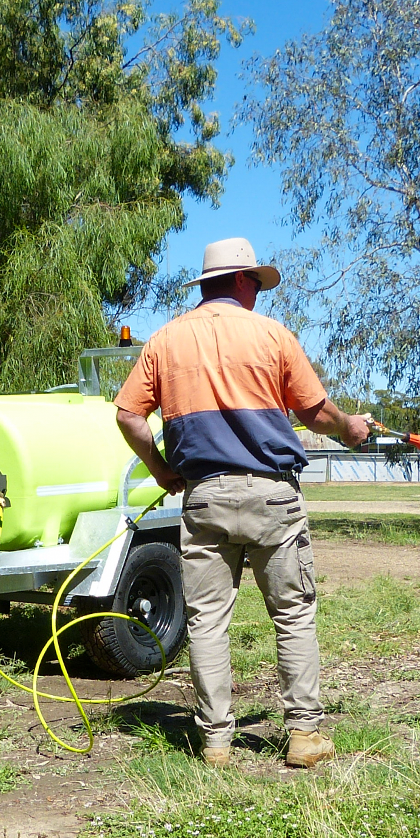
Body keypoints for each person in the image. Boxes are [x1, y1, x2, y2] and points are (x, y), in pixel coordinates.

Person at [113, 238, 370, 768]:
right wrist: (349, 428)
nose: (258, 292)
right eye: (255, 282)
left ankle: (215, 743)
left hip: (204, 497)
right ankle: (303, 735)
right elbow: (315, 413)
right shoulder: (272, 335)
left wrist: (161, 469)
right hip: (272, 496)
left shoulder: (165, 340)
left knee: (206, 621)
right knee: (293, 613)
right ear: (237, 280)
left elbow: (128, 415)